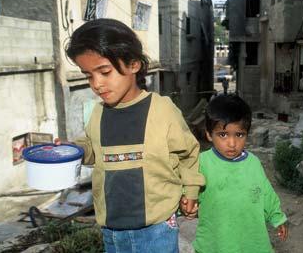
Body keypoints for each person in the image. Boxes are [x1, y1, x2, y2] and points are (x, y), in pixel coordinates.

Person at [62, 18, 204, 252]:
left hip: (156, 228)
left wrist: (191, 191)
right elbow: (93, 150)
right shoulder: (98, 113)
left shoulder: (162, 110)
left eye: (104, 71)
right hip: (111, 228)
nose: (96, 84)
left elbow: (189, 153)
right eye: (88, 75)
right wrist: (69, 151)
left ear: (134, 64)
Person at [193, 94, 288, 253]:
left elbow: (266, 194)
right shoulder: (202, 163)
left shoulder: (253, 164)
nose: (232, 143)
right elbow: (187, 191)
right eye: (223, 135)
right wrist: (184, 204)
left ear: (247, 134)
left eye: (239, 135)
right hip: (215, 244)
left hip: (251, 243)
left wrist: (277, 217)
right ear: (209, 134)